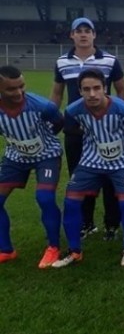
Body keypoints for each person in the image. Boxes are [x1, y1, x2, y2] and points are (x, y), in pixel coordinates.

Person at [53, 69, 124, 268]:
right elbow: (71, 128)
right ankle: (74, 251)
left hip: (122, 162)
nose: (92, 94)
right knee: (71, 201)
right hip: (91, 161)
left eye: (96, 88)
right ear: (80, 91)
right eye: (86, 89)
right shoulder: (74, 109)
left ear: (105, 88)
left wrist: (121, 143)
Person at [50, 17, 124, 240]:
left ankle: (112, 225)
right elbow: (57, 93)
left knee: (110, 179)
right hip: (75, 129)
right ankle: (87, 222)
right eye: (78, 31)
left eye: (87, 30)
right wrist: (51, 118)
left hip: (106, 130)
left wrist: (118, 119)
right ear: (71, 35)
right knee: (80, 178)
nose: (83, 34)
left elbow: (121, 92)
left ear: (94, 35)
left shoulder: (110, 60)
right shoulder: (62, 61)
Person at [0, 66, 64, 268]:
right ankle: (6, 250)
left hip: (46, 155)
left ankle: (53, 247)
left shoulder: (42, 106)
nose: (18, 92)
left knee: (44, 198)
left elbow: (58, 123)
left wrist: (43, 140)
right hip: (16, 157)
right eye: (11, 89)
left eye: (21, 86)